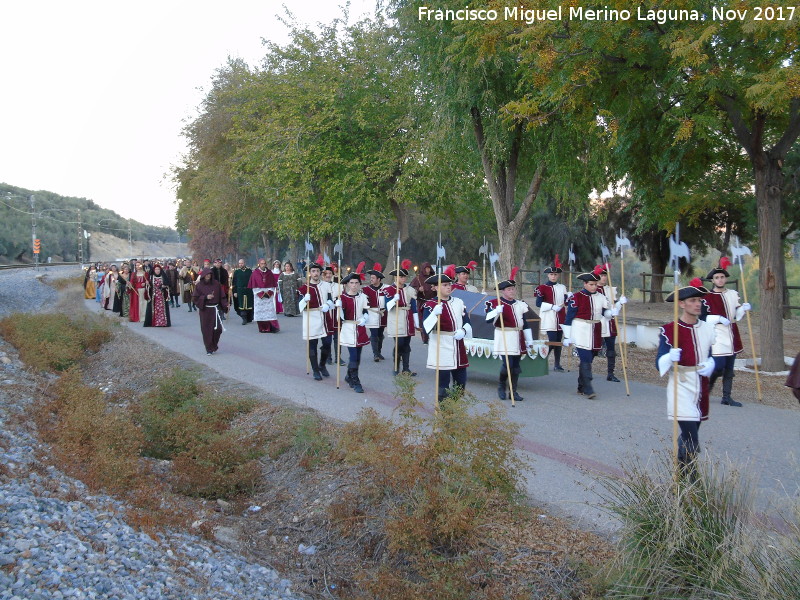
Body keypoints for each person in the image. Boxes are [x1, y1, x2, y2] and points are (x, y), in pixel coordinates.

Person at [656, 278, 717, 476]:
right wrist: (668, 357)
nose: (697, 304)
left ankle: (681, 472)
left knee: (691, 433)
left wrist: (711, 363)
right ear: (681, 304)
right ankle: (691, 477)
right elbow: (658, 362)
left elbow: (713, 354)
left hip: (701, 386)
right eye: (692, 301)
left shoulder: (708, 328)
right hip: (680, 386)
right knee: (691, 436)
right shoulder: (669, 330)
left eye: (699, 300)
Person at [701, 257, 751, 407]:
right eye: (717, 277)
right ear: (713, 280)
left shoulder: (732, 294)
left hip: (731, 333)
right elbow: (703, 317)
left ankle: (726, 397)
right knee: (718, 366)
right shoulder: (707, 297)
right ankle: (705, 391)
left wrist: (743, 309)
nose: (720, 279)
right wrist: (718, 318)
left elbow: (736, 315)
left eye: (722, 277)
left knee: (729, 367)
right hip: (717, 335)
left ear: (725, 278)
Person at [562, 267, 613, 399]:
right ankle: (589, 388)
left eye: (596, 284)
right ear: (585, 284)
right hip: (580, 329)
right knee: (585, 358)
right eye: (591, 284)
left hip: (596, 329)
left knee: (590, 358)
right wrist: (567, 336)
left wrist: (613, 311)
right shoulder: (576, 297)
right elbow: (568, 318)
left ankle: (581, 386)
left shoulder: (601, 297)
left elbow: (604, 313)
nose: (594, 287)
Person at [485, 268, 535, 401]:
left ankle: (513, 391)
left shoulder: (520, 304)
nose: (511, 291)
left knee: (516, 366)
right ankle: (501, 385)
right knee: (508, 364)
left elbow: (525, 323)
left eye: (513, 289)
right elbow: (488, 320)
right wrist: (496, 311)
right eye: (508, 289)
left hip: (518, 337)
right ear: (503, 291)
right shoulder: (496, 303)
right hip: (504, 336)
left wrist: (529, 340)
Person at [422, 273, 472, 400]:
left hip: (458, 345)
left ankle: (455, 409)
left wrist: (464, 331)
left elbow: (467, 321)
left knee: (461, 383)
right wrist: (434, 314)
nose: (448, 287)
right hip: (441, 346)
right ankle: (444, 413)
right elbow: (425, 328)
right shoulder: (430, 305)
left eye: (449, 284)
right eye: (444, 285)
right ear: (436, 288)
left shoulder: (459, 302)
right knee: (443, 386)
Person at [336, 266, 370, 393]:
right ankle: (356, 381)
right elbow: (341, 317)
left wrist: (365, 318)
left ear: (359, 284)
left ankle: (349, 376)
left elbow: (366, 310)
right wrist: (339, 307)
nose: (354, 285)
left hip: (360, 328)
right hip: (348, 328)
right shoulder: (343, 298)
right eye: (352, 283)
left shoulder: (363, 297)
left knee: (358, 357)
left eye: (356, 283)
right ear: (348, 284)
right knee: (353, 356)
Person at [299, 262, 334, 380]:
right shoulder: (304, 288)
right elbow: (299, 306)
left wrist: (328, 304)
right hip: (311, 318)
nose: (315, 273)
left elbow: (331, 300)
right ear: (310, 273)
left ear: (320, 273)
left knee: (328, 343)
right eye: (313, 271)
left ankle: (322, 365)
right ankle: (315, 370)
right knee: (312, 345)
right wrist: (304, 300)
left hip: (324, 317)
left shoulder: (326, 285)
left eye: (317, 271)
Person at [384, 259, 418, 376]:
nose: (403, 279)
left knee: (406, 345)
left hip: (407, 318)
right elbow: (387, 306)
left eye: (404, 277)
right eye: (401, 277)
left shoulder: (410, 290)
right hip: (396, 318)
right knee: (399, 344)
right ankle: (395, 367)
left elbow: (414, 307)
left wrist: (417, 322)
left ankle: (406, 368)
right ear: (396, 278)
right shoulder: (389, 290)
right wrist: (394, 299)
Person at [535, 257, 569, 372]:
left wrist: (569, 297)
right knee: (552, 340)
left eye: (555, 274)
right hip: (549, 316)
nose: (553, 276)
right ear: (548, 275)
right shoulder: (542, 288)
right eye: (551, 274)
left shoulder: (562, 287)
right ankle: (542, 361)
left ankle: (557, 364)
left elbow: (567, 302)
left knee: (558, 341)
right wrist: (551, 306)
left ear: (558, 276)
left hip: (561, 317)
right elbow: (538, 303)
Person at [597, 264, 628, 382]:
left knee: (611, 350)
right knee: (593, 349)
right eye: (601, 275)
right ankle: (585, 369)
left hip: (610, 324)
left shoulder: (610, 290)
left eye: (605, 275)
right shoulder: (594, 290)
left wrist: (620, 302)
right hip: (599, 322)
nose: (604, 278)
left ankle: (610, 373)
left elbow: (614, 306)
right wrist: (610, 312)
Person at [192, 268, 228, 355]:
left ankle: (213, 344)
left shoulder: (216, 284)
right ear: (203, 275)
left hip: (216, 309)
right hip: (205, 310)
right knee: (207, 330)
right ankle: (208, 348)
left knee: (218, 329)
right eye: (206, 275)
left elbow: (222, 296)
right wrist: (205, 297)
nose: (208, 276)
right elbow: (195, 298)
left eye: (210, 274)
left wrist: (225, 305)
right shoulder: (199, 285)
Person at [248, 258, 280, 333]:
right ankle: (263, 328)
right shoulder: (255, 273)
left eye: (264, 263)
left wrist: (269, 293)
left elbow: (273, 285)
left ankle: (273, 327)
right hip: (259, 297)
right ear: (259, 264)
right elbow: (254, 286)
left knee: (270, 312)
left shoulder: (269, 273)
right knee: (261, 313)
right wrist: (261, 294)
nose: (263, 265)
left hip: (269, 296)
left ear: (266, 264)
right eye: (261, 263)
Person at [364, 263, 388, 361]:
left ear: (379, 279)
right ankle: (375, 354)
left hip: (383, 314)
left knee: (380, 334)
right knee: (374, 334)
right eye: (371, 278)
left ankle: (379, 352)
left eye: (373, 278)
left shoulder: (386, 288)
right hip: (372, 314)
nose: (371, 279)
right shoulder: (366, 289)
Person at [411, 262, 436, 345]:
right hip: (422, 302)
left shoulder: (434, 278)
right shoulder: (418, 278)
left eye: (429, 268)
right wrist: (418, 289)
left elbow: (440, 287)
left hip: (433, 302)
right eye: (426, 268)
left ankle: (432, 337)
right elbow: (411, 290)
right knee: (423, 320)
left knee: (433, 320)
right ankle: (425, 338)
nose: (428, 270)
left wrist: (436, 288)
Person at [232, 259, 254, 325]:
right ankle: (244, 318)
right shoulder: (237, 272)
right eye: (239, 263)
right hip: (240, 290)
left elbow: (252, 281)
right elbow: (234, 282)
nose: (241, 264)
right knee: (241, 305)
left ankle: (249, 318)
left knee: (249, 305)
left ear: (244, 263)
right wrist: (235, 291)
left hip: (248, 290)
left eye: (242, 263)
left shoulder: (249, 271)